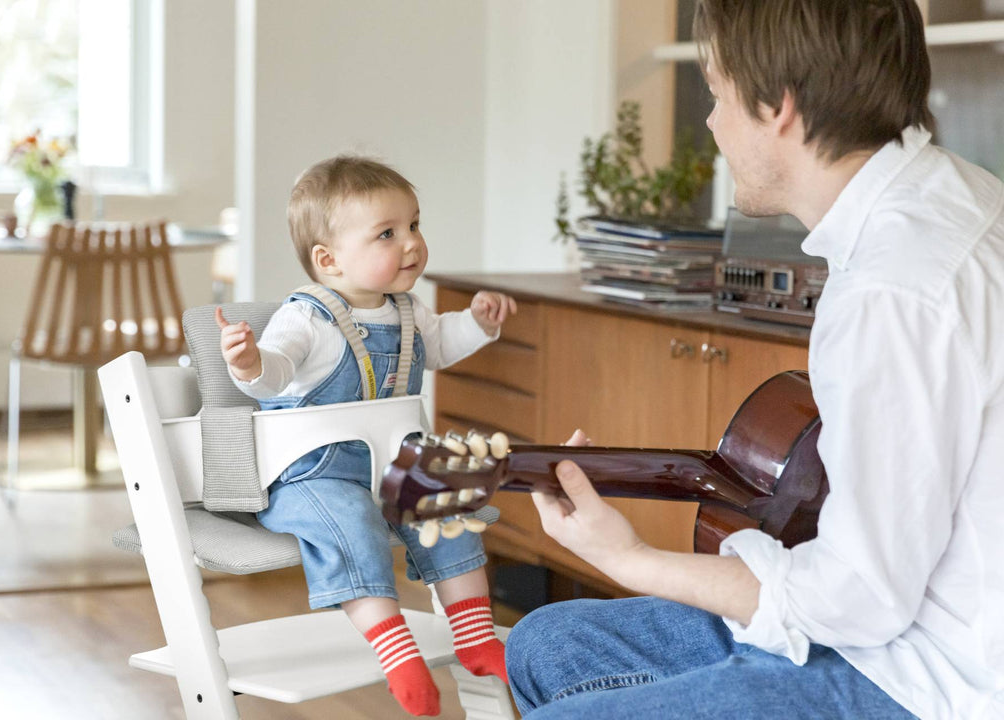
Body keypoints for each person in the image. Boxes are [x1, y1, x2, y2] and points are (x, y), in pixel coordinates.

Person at [506, 1, 1004, 718]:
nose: (710, 123)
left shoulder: (892, 290)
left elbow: (857, 600)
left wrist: (628, 559)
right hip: (898, 627)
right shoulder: (959, 193)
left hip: (934, 682)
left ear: (780, 108)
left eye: (717, 94)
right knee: (546, 644)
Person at [216, 155, 517, 717]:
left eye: (414, 225)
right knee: (349, 522)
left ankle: (475, 637)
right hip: (311, 475)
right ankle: (395, 650)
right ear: (327, 260)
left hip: (391, 467)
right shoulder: (305, 317)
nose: (411, 244)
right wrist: (252, 361)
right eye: (387, 233)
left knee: (448, 502)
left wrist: (478, 322)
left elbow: (441, 348)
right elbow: (277, 370)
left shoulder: (408, 312)